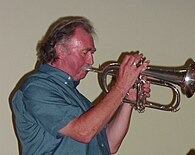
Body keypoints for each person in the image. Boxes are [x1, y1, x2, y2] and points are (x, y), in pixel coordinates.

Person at [12, 16, 150, 155]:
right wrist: (121, 86)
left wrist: (128, 100)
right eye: (85, 52)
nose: (91, 61)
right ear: (60, 50)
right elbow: (83, 132)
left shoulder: (77, 99)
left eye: (92, 53)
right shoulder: (36, 88)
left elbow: (110, 145)